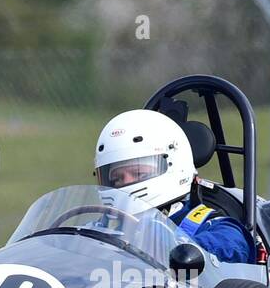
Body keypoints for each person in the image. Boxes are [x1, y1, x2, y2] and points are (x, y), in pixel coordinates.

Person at [92, 109, 254, 263]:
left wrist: (181, 250)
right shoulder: (105, 228)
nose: (125, 183)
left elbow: (234, 245)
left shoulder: (207, 224)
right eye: (117, 179)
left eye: (138, 173)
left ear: (174, 164)